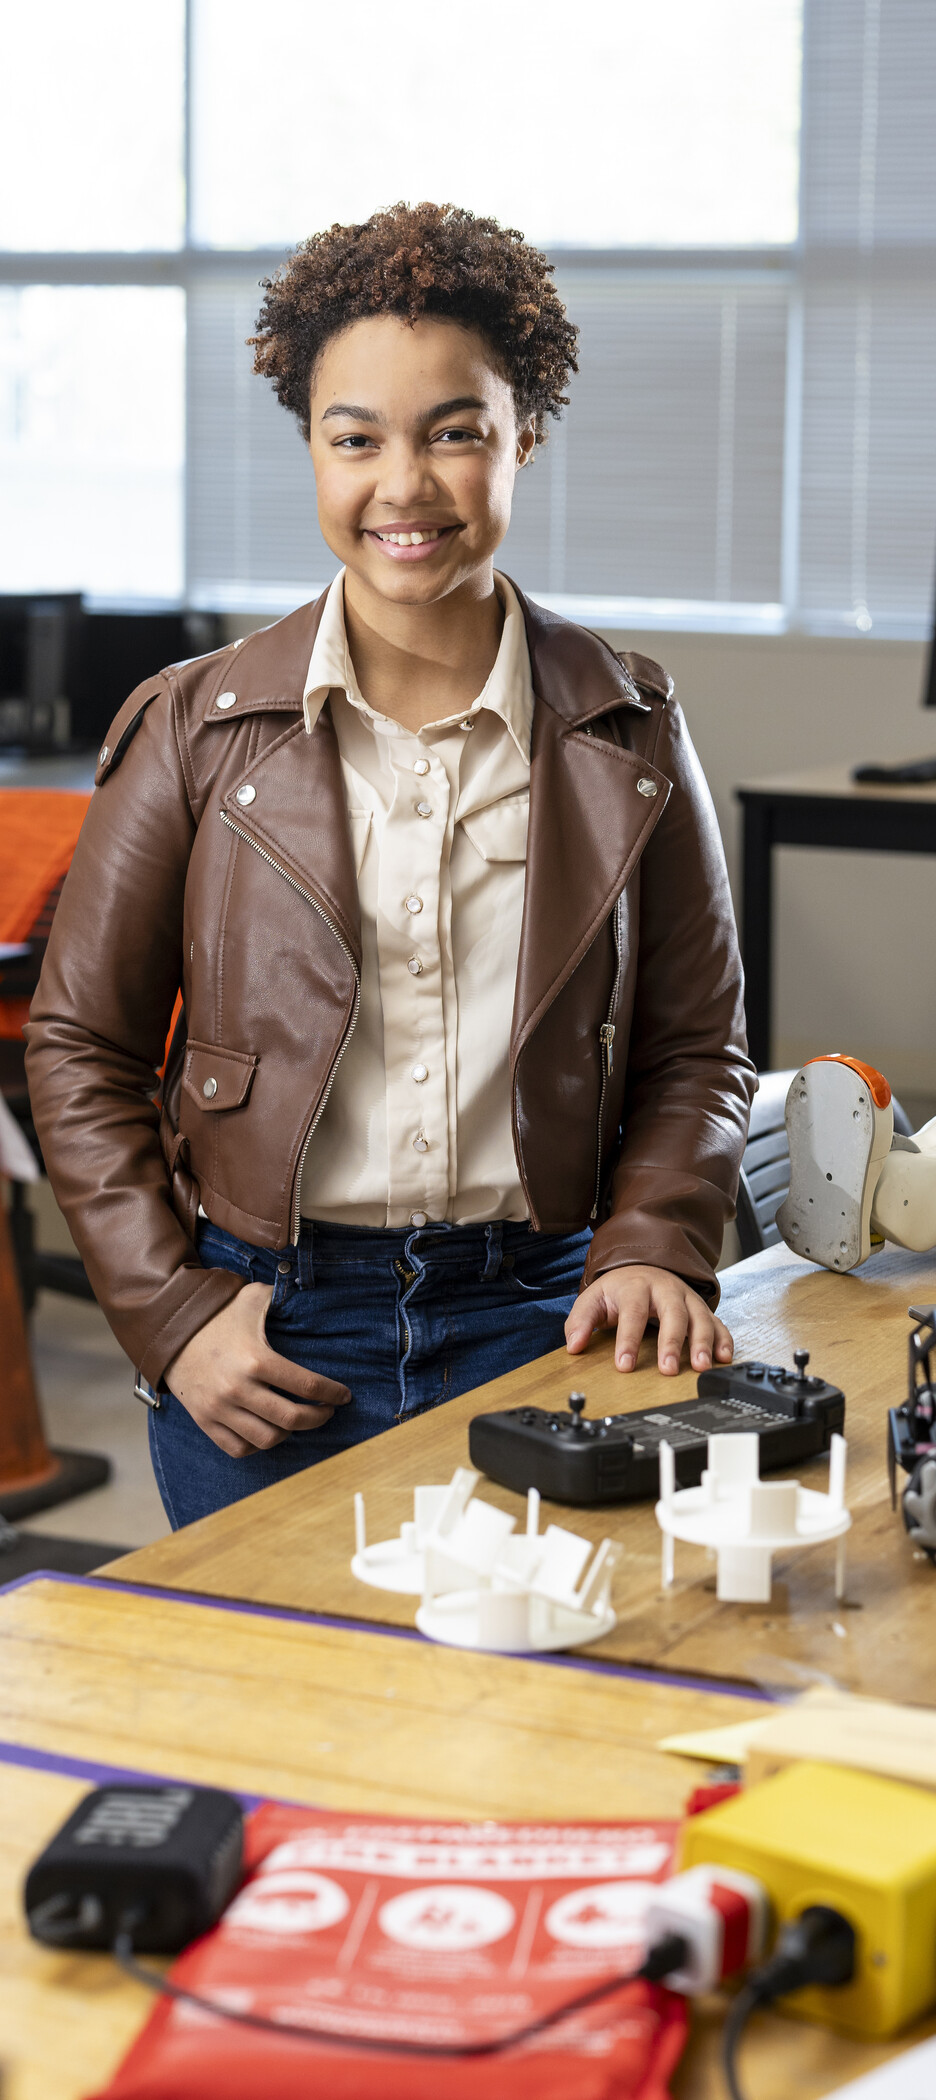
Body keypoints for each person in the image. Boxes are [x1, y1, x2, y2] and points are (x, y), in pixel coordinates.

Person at [26, 201, 756, 1528]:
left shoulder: (628, 723)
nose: (403, 488)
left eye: (455, 433)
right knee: (274, 1722)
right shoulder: (194, 725)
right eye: (353, 438)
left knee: (546, 1713)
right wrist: (170, 1310)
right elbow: (77, 1049)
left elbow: (699, 1047)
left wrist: (658, 1239)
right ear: (311, 447)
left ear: (524, 436)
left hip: (548, 1313)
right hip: (272, 1331)